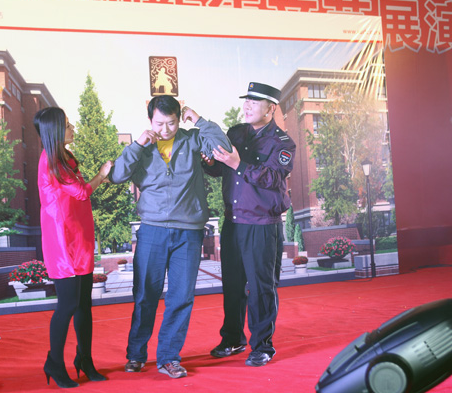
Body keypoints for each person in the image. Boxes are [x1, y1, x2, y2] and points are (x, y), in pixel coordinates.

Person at [109, 95, 232, 379]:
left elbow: (223, 148)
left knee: (181, 297)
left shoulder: (192, 140)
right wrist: (137, 145)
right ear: (150, 120)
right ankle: (136, 354)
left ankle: (169, 358)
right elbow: (117, 175)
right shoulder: (142, 147)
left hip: (189, 232)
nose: (165, 129)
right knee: (145, 295)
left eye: (172, 123)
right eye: (159, 123)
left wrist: (199, 120)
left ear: (180, 118)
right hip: (152, 230)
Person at [201, 82, 296, 367]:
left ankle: (263, 345)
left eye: (254, 102)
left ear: (271, 108)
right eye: (246, 101)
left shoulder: (282, 143)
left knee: (260, 286)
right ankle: (232, 339)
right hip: (233, 221)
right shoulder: (236, 133)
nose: (247, 106)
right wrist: (210, 163)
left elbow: (273, 178)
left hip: (261, 223)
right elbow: (221, 169)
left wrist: (237, 164)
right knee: (232, 285)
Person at [34, 106, 113, 388]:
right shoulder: (50, 160)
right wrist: (102, 174)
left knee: (83, 306)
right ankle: (54, 363)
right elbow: (81, 192)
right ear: (55, 130)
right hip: (62, 243)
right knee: (67, 305)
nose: (72, 128)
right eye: (67, 124)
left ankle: (85, 360)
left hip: (79, 239)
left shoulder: (64, 159)